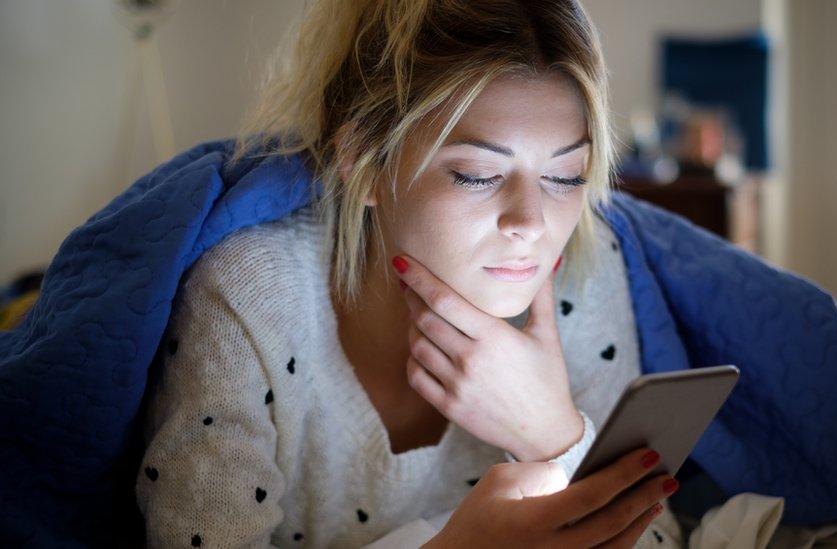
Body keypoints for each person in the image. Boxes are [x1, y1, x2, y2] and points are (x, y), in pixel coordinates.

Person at [135, 0, 680, 546]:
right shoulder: (250, 293)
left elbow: (662, 538)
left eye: (565, 176)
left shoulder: (580, 266)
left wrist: (553, 432)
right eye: (476, 174)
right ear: (364, 164)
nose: (531, 224)